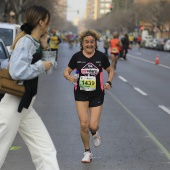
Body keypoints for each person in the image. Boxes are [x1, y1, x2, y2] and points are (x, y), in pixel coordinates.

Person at [0, 6, 60, 170]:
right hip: (13, 103)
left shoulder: (35, 42)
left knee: (45, 149)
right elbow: (17, 72)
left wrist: (45, 45)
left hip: (25, 105)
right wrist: (41, 65)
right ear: (41, 22)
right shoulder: (25, 41)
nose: (49, 24)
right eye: (48, 21)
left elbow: (50, 69)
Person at [63, 30, 114, 163]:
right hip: (80, 93)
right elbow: (66, 70)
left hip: (97, 93)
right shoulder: (76, 57)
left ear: (95, 43)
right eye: (87, 42)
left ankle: (95, 133)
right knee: (84, 124)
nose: (89, 44)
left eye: (92, 42)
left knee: (92, 126)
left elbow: (110, 70)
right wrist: (69, 77)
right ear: (82, 43)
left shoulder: (101, 57)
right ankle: (87, 152)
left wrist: (109, 81)